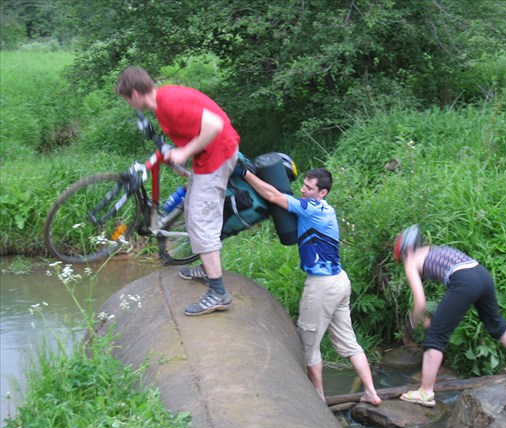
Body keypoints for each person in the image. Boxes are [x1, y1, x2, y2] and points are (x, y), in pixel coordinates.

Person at [240, 166, 381, 406]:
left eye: (309, 188)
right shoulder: (327, 209)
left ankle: (318, 399)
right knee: (349, 342)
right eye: (303, 185)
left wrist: (244, 173)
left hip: (322, 285)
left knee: (309, 344)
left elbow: (273, 196)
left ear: (322, 192)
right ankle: (371, 392)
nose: (303, 190)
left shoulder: (311, 209)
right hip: (340, 281)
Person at [115, 66, 238, 317]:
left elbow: (214, 125)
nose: (128, 103)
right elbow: (192, 130)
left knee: (201, 221)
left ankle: (218, 293)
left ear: (136, 93)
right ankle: (207, 268)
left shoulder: (169, 102)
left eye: (127, 98)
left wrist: (184, 152)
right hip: (208, 159)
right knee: (192, 210)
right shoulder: (162, 105)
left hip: (218, 157)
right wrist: (182, 158)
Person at [394, 224, 506, 408]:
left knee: (435, 337)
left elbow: (420, 301)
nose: (403, 259)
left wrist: (414, 319)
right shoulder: (433, 249)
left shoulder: (410, 261)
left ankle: (425, 392)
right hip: (482, 274)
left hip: (464, 281)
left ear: (406, 251)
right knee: (495, 322)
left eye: (402, 256)